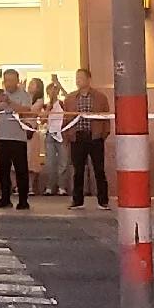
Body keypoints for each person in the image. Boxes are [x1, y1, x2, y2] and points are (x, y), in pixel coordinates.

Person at [63, 69, 111, 209]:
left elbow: (105, 118)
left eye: (81, 78)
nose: (78, 80)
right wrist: (67, 134)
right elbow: (66, 118)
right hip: (77, 136)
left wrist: (103, 134)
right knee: (78, 170)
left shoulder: (100, 97)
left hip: (95, 136)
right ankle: (77, 200)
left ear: (89, 79)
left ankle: (103, 200)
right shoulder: (70, 98)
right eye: (76, 78)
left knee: (99, 169)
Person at [0, 69, 35, 210]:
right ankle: (5, 198)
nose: (8, 83)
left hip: (17, 137)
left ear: (17, 80)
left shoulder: (24, 95)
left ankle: (23, 200)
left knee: (21, 169)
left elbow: (26, 110)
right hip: (1, 136)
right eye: (6, 80)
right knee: (3, 169)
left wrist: (10, 102)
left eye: (11, 80)